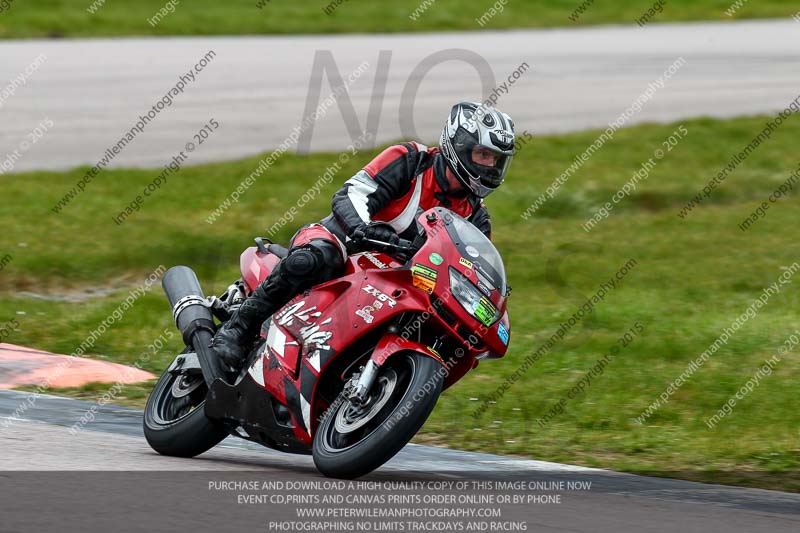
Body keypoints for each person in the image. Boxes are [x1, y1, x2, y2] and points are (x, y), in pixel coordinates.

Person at [210, 101, 516, 370]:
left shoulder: (477, 217)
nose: (490, 167)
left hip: (396, 281)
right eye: (482, 155)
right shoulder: (410, 160)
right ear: (457, 146)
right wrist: (363, 228)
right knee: (316, 258)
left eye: (497, 160)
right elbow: (352, 194)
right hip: (346, 243)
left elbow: (468, 270)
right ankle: (238, 329)